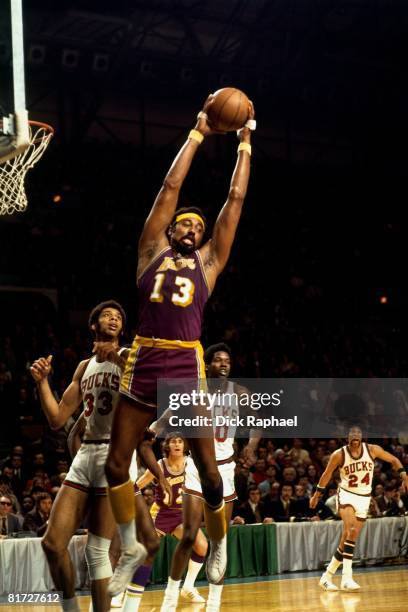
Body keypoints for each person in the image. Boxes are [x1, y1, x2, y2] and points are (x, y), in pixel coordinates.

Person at [104, 95, 256, 596]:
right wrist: (196, 133)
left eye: (198, 224)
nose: (192, 226)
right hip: (144, 356)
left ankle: (219, 543)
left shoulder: (210, 263)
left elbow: (233, 204)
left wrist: (244, 146)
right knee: (113, 463)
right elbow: (171, 185)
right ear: (169, 231)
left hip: (184, 364)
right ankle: (130, 545)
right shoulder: (151, 251)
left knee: (211, 478)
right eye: (184, 223)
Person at [30, 300, 163, 612]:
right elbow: (57, 419)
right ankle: (71, 608)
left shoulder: (129, 355)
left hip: (115, 454)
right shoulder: (83, 367)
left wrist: (117, 359)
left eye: (118, 316)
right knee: (51, 544)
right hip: (86, 453)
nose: (113, 319)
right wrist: (42, 383)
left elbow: (148, 390)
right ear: (93, 325)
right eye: (107, 315)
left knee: (96, 550)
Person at [160, 342, 262, 611]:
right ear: (207, 366)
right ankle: (170, 597)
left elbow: (257, 422)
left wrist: (251, 446)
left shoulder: (240, 392)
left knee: (220, 540)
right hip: (196, 468)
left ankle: (214, 602)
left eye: (227, 360)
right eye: (218, 360)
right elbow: (169, 414)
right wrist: (156, 426)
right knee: (190, 534)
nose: (224, 364)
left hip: (226, 469)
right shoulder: (194, 393)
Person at [310, 425, 408, 592]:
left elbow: (393, 460)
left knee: (348, 539)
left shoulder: (372, 450)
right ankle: (347, 578)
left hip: (364, 497)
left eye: (358, 433)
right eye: (352, 433)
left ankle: (326, 576)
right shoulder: (339, 454)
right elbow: (326, 475)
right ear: (346, 437)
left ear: (362, 436)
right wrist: (316, 495)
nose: (355, 435)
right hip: (347, 494)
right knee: (351, 530)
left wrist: (404, 475)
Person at [121, 433, 208, 611]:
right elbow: (138, 485)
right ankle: (122, 592)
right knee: (145, 553)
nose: (177, 445)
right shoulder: (159, 465)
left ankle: (189, 587)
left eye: (180, 441)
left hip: (181, 516)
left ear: (185, 446)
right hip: (160, 514)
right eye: (173, 442)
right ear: (167, 446)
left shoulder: (191, 464)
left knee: (201, 545)